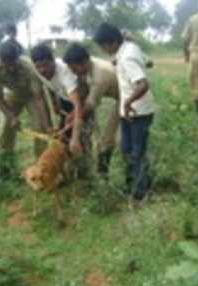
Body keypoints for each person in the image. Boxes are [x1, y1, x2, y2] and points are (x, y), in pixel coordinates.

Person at [94, 23, 155, 201]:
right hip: (130, 112)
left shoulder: (127, 56)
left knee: (136, 153)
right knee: (127, 150)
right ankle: (134, 184)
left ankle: (140, 193)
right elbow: (149, 62)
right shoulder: (128, 49)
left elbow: (143, 84)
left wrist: (128, 101)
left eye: (103, 46)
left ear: (111, 42)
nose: (103, 51)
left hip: (138, 112)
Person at [0, 41, 53, 182]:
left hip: (31, 96)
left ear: (17, 58)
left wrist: (47, 124)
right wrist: (12, 116)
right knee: (5, 129)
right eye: (7, 64)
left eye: (13, 63)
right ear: (1, 61)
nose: (11, 67)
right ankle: (4, 169)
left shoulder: (28, 67)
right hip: (12, 95)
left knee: (40, 129)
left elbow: (38, 98)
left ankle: (42, 168)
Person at [63, 43, 120, 177]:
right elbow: (83, 89)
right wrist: (73, 114)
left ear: (83, 62)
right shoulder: (88, 65)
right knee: (103, 137)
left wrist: (75, 120)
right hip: (116, 95)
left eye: (74, 69)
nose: (73, 73)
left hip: (127, 97)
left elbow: (89, 105)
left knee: (106, 139)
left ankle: (102, 174)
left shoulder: (100, 76)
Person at [30, 43, 78, 138]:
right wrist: (54, 103)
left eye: (45, 65)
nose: (42, 70)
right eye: (38, 66)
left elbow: (78, 104)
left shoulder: (65, 71)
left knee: (79, 134)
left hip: (81, 98)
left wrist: (73, 115)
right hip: (64, 98)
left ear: (53, 61)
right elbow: (48, 85)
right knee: (63, 136)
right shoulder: (38, 71)